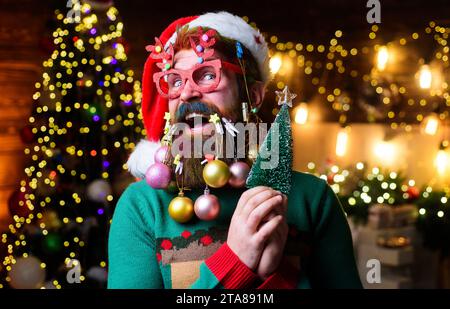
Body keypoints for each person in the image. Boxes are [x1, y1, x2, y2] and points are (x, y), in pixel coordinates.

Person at [107, 11, 362, 289]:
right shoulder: (142, 206)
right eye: (175, 81)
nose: (187, 93)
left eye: (206, 75)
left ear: (252, 96)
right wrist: (234, 263)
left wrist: (273, 276)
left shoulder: (312, 199)